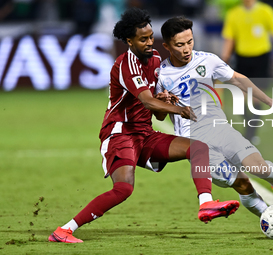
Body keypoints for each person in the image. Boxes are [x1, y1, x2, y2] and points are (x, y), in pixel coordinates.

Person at [48, 8, 239, 244]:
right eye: (143, 39)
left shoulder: (157, 60)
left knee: (198, 147)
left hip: (144, 133)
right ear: (129, 41)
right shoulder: (125, 64)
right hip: (120, 132)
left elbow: (156, 112)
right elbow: (145, 99)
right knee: (124, 189)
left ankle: (206, 204)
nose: (150, 42)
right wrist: (179, 109)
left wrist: (165, 100)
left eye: (151, 36)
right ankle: (64, 230)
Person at [155, 16, 273, 218]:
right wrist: (163, 102)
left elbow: (237, 79)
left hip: (221, 130)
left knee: (259, 167)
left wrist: (268, 101)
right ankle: (269, 217)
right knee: (242, 183)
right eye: (179, 45)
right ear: (166, 45)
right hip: (196, 143)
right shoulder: (161, 75)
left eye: (190, 42)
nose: (186, 49)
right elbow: (158, 116)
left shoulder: (207, 60)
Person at [221, 0, 273, 143]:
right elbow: (229, 38)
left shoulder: (265, 11)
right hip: (242, 58)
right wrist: (224, 58)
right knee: (240, 100)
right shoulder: (233, 14)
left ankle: (250, 135)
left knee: (256, 97)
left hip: (261, 58)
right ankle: (250, 128)